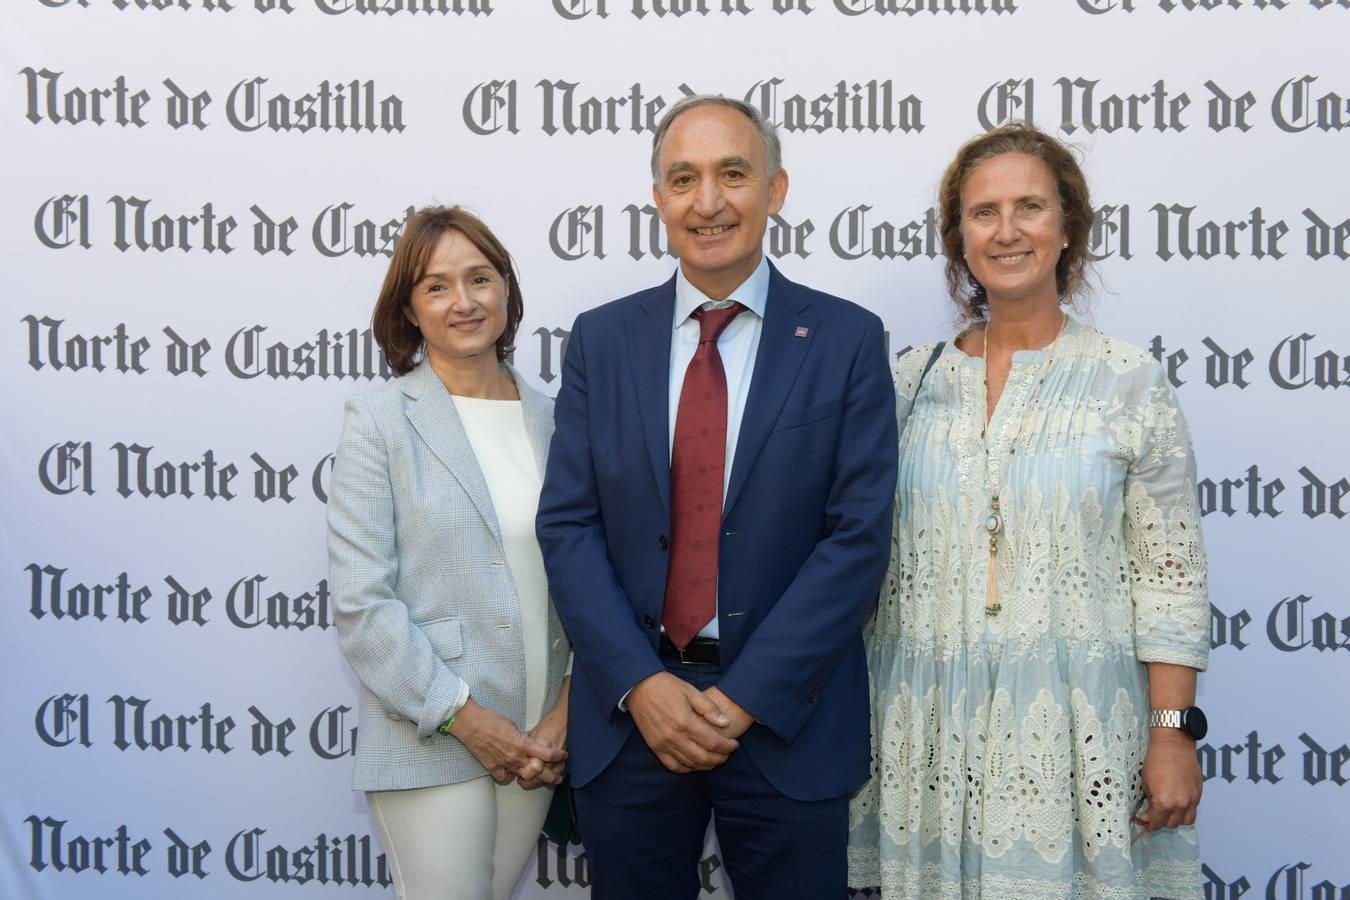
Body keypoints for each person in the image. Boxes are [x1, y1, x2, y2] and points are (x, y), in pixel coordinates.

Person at [536, 95, 898, 899]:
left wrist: (746, 696)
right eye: (684, 178)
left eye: (733, 174)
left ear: (776, 189)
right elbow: (568, 524)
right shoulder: (601, 339)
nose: (708, 202)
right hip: (634, 721)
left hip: (784, 721)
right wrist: (641, 684)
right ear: (658, 198)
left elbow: (857, 538)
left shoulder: (845, 339)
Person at [846, 122, 1210, 899]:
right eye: (983, 213)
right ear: (958, 239)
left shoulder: (1129, 382)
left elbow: (1170, 577)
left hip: (1078, 735)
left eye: (1030, 207)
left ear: (1068, 226)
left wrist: (1171, 735)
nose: (1007, 231)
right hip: (926, 730)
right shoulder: (904, 382)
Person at [327, 206, 572, 900]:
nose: (463, 302)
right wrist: (468, 719)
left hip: (537, 743)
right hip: (431, 735)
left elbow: (595, 578)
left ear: (507, 291)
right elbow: (361, 602)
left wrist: (565, 712)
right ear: (408, 308)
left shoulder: (558, 420)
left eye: (480, 279)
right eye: (436, 286)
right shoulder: (379, 422)